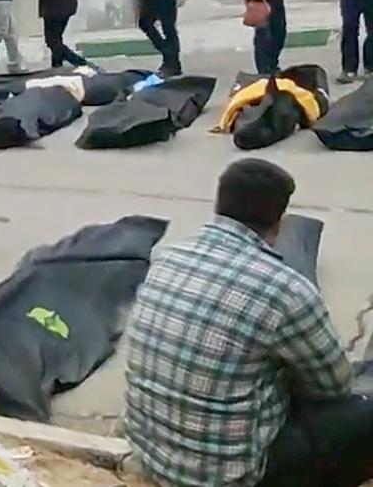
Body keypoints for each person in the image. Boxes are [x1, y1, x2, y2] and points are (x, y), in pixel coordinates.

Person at [124, 158, 372, 487]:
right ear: (279, 221)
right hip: (230, 478)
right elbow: (333, 387)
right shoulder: (285, 289)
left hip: (154, 458)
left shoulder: (166, 258)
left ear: (219, 204)